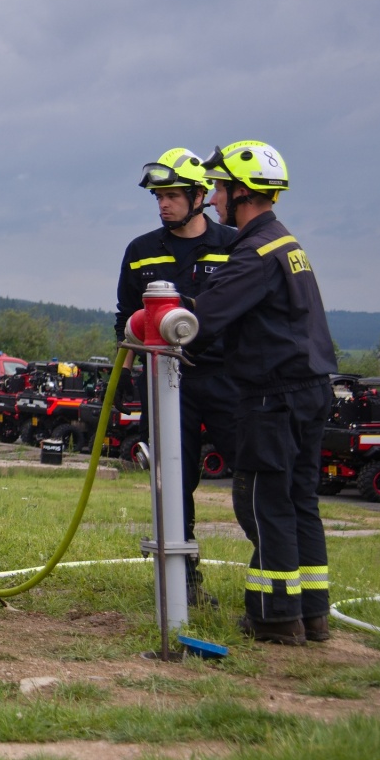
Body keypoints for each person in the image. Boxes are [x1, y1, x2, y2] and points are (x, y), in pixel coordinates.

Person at [189, 140, 335, 646]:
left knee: (261, 502)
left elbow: (201, 320)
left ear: (240, 193)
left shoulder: (253, 254)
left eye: (219, 188)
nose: (213, 197)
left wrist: (161, 319)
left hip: (273, 397)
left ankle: (274, 619)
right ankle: (312, 614)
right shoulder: (286, 243)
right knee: (299, 502)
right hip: (311, 390)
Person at [115, 148, 239, 607]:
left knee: (250, 469)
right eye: (158, 197)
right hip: (166, 381)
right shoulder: (141, 251)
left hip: (227, 378)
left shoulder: (233, 244)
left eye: (171, 195)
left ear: (200, 196)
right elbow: (124, 318)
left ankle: (272, 578)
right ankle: (183, 581)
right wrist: (128, 373)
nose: (163, 204)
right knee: (171, 480)